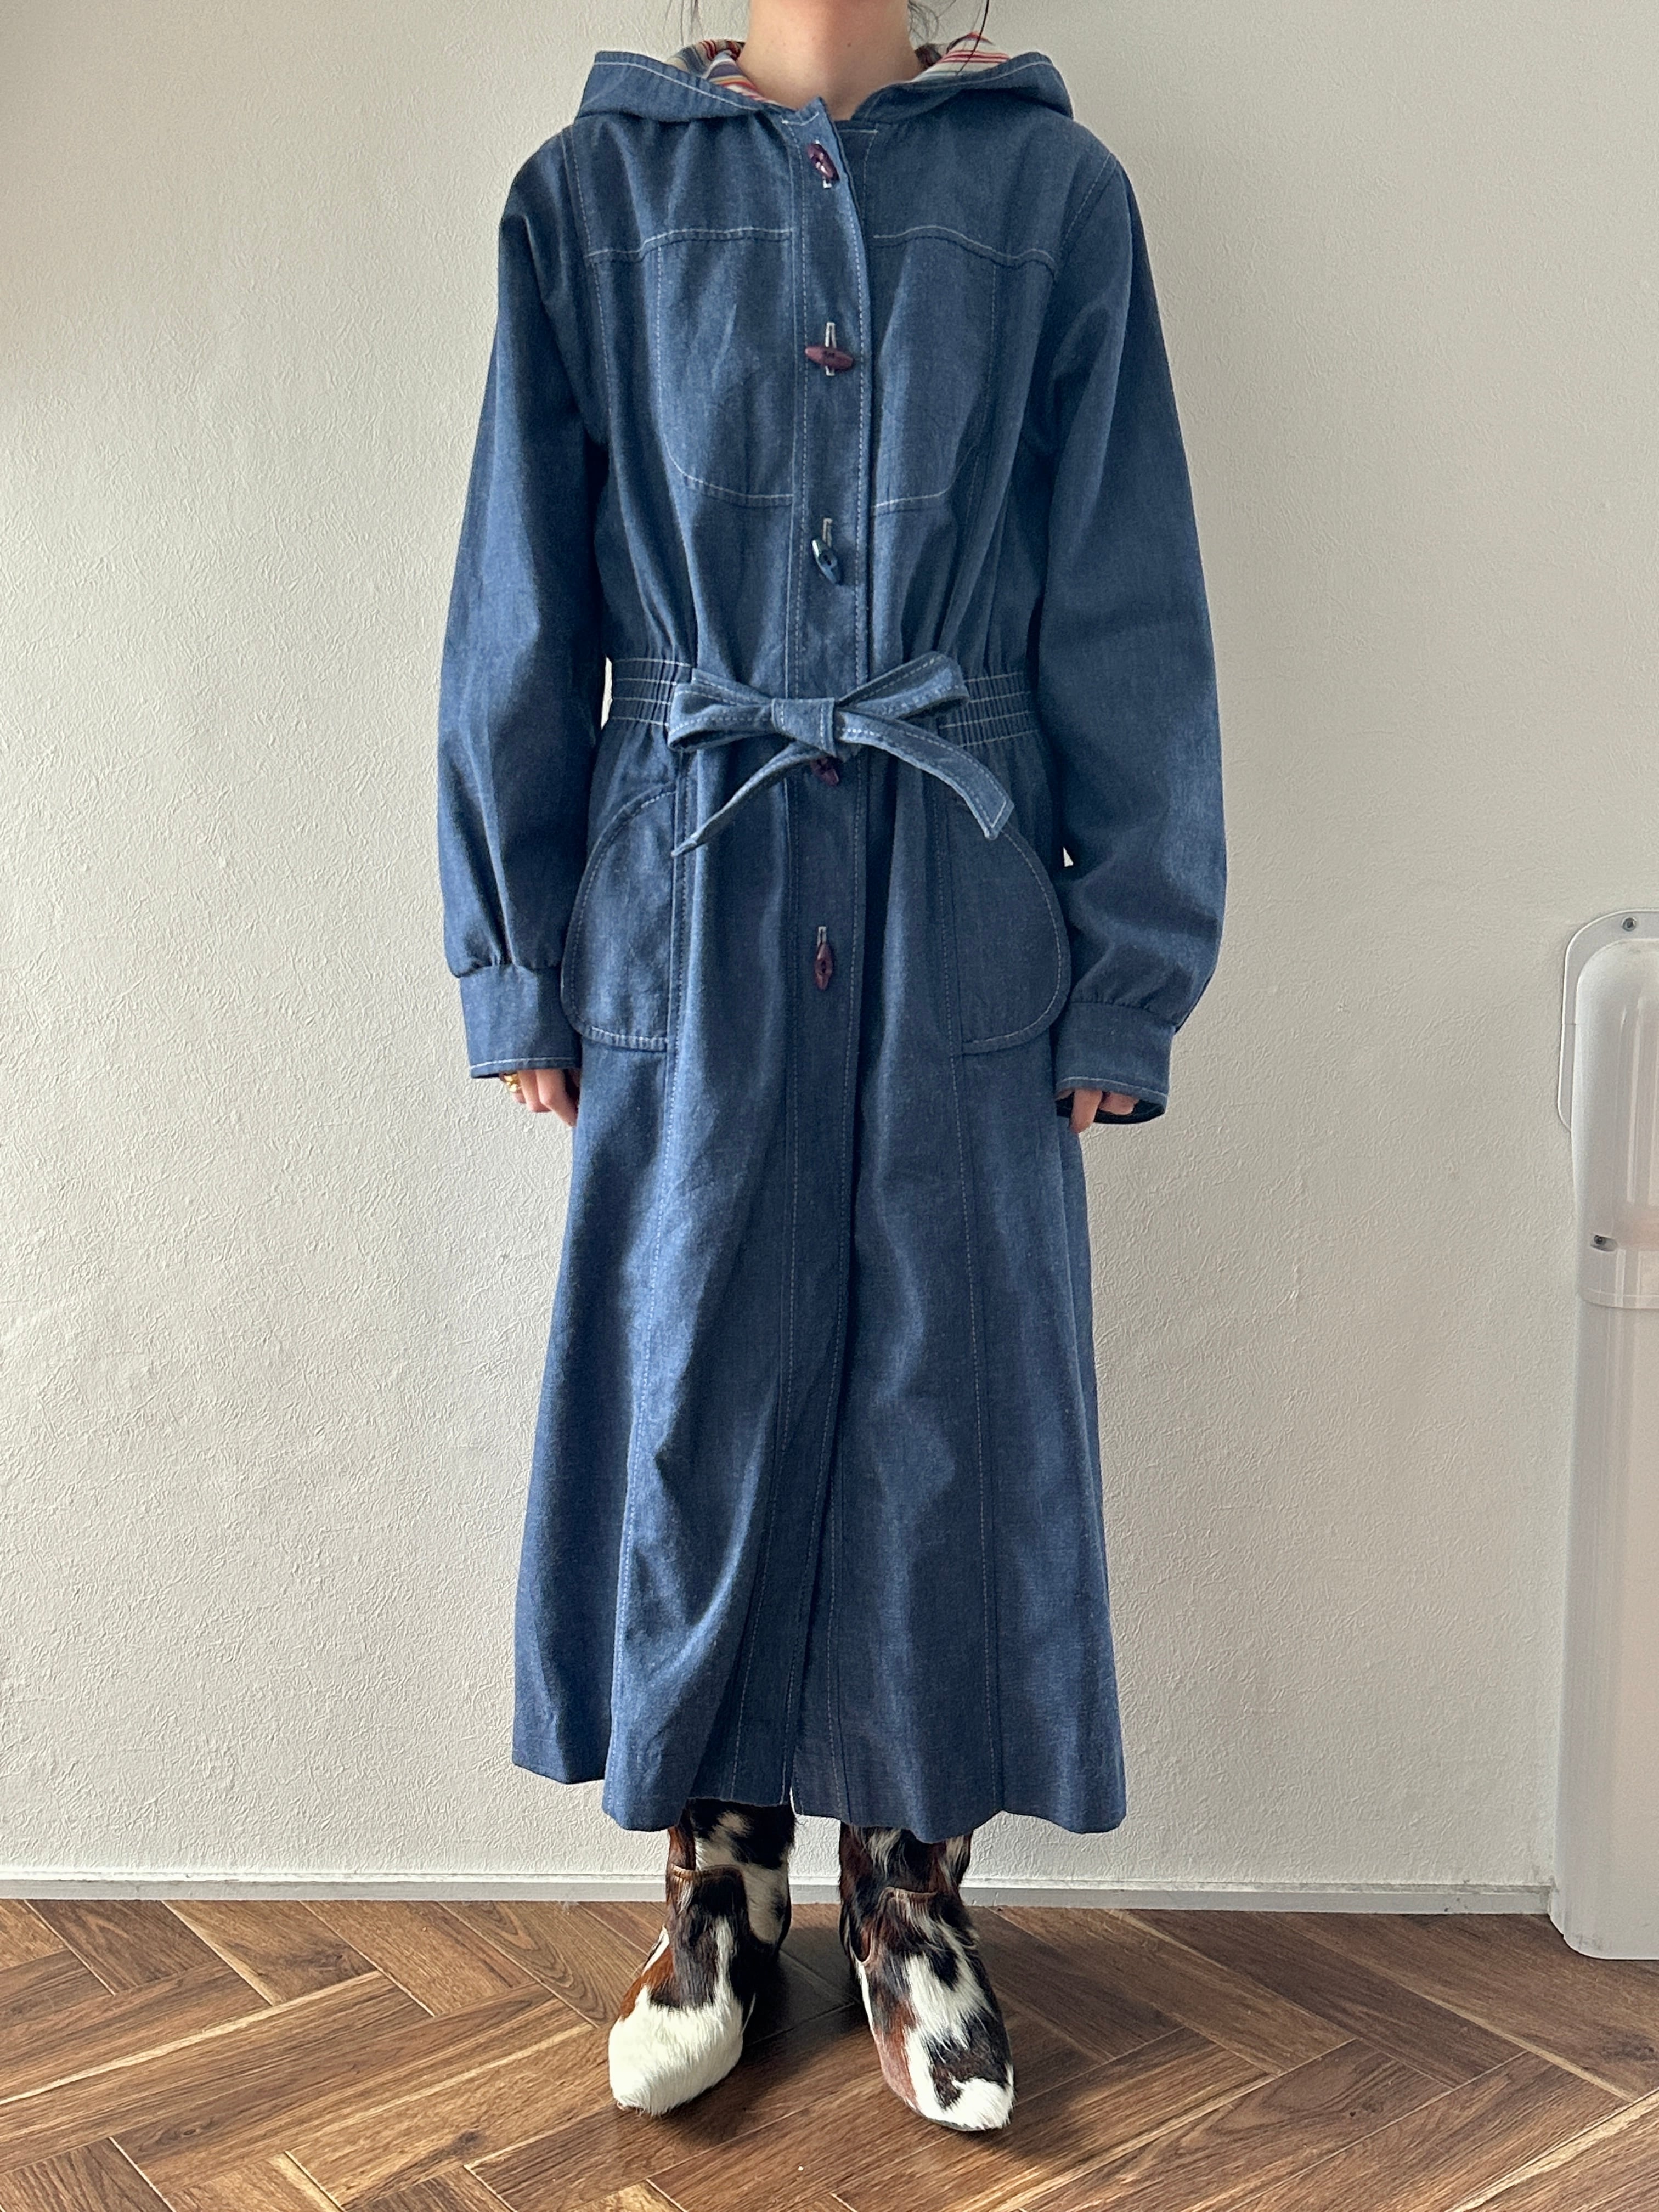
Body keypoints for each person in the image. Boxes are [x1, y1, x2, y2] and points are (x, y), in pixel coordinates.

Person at [436, 0, 1226, 2133]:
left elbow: (1127, 596)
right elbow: (520, 589)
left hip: (962, 890)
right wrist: (517, 954)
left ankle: (910, 1895)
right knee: (695, 1382)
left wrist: (1131, 966)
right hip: (688, 893)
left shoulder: (1052, 198)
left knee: (945, 1400)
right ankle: (718, 1885)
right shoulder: (589, 199)